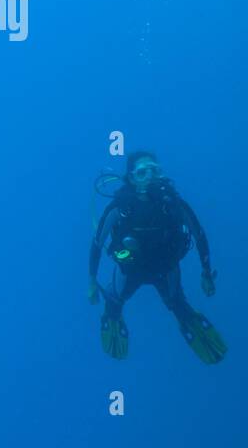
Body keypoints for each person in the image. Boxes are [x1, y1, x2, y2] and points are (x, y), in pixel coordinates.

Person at [88, 151, 226, 363]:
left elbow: (199, 235)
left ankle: (188, 320)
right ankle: (112, 314)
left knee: (178, 305)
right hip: (130, 269)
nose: (150, 176)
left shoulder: (174, 205)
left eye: (155, 170)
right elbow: (97, 244)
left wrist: (206, 273)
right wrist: (91, 282)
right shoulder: (120, 208)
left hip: (166, 268)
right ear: (132, 178)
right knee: (115, 300)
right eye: (143, 172)